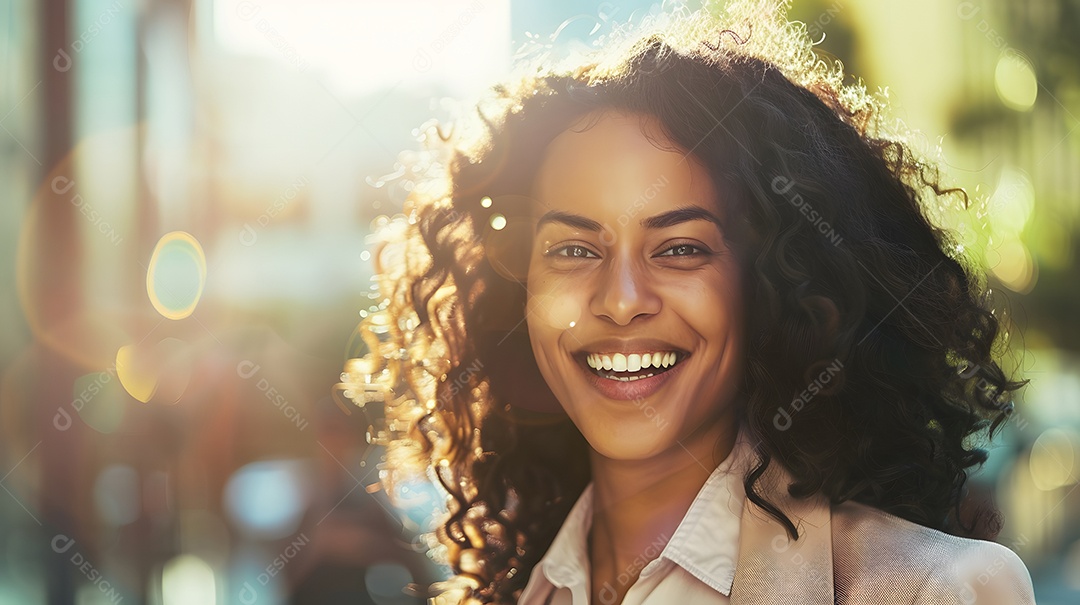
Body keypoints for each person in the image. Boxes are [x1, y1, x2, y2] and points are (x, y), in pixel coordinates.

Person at [339, 1, 1037, 603]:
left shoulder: (934, 589)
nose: (620, 300)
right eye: (574, 250)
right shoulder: (519, 589)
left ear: (770, 282)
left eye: (680, 248)